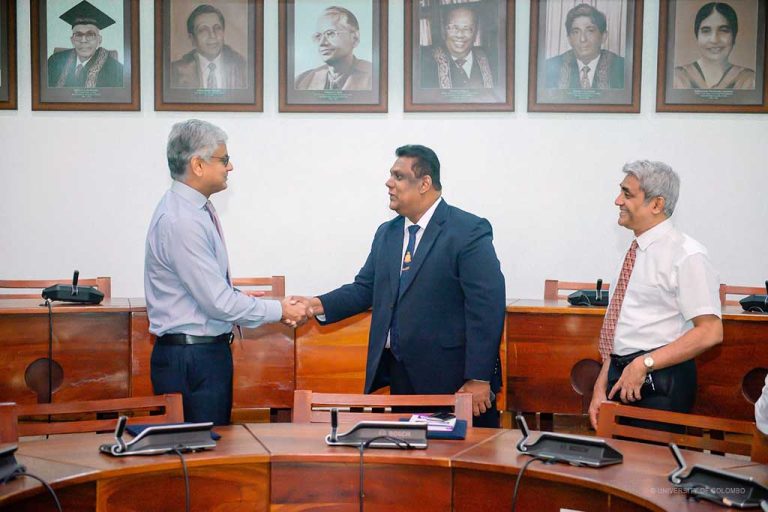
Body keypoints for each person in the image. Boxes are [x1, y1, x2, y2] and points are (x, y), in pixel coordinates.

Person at [300, 145, 506, 427]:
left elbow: (487, 307)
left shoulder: (468, 231)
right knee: (409, 451)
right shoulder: (389, 233)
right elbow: (364, 288)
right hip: (401, 377)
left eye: (398, 176)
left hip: (455, 381)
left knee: (462, 453)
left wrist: (479, 378)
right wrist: (313, 305)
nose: (389, 183)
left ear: (424, 183)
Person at [144, 119, 307, 425]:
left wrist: (237, 296)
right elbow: (217, 303)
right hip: (192, 361)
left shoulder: (194, 209)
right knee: (200, 450)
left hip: (200, 355)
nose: (230, 167)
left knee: (211, 446)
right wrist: (279, 309)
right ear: (198, 165)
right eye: (224, 159)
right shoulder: (183, 221)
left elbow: (206, 291)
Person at [588, 161, 723, 431]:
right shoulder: (634, 252)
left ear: (657, 204)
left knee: (651, 460)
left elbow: (711, 331)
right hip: (623, 376)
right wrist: (601, 384)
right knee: (616, 459)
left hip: (659, 382)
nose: (618, 201)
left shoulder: (687, 255)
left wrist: (644, 364)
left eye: (627, 194)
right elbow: (622, 328)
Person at [674, 2, 755, 90]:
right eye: (706, 31)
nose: (714, 40)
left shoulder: (749, 80)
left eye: (723, 30)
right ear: (697, 36)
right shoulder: (678, 77)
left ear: (734, 36)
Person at [544, 3, 624, 90]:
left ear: (603, 36)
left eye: (590, 31)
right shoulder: (549, 68)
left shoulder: (622, 67)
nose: (582, 39)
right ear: (569, 39)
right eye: (576, 32)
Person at [47, 0, 124, 88]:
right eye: (78, 35)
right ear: (72, 40)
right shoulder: (54, 62)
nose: (83, 40)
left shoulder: (116, 71)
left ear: (99, 40)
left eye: (90, 35)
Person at [170, 4, 248, 89]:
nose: (212, 35)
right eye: (203, 30)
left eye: (217, 28)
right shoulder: (176, 71)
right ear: (192, 38)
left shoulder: (242, 66)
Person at [295, 6, 372, 91]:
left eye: (331, 33)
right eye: (318, 36)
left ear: (355, 38)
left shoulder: (375, 77)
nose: (322, 43)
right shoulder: (301, 81)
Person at [420, 6, 495, 89]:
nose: (460, 35)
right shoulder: (424, 63)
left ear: (476, 33)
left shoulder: (492, 61)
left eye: (467, 28)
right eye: (454, 28)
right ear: (444, 31)